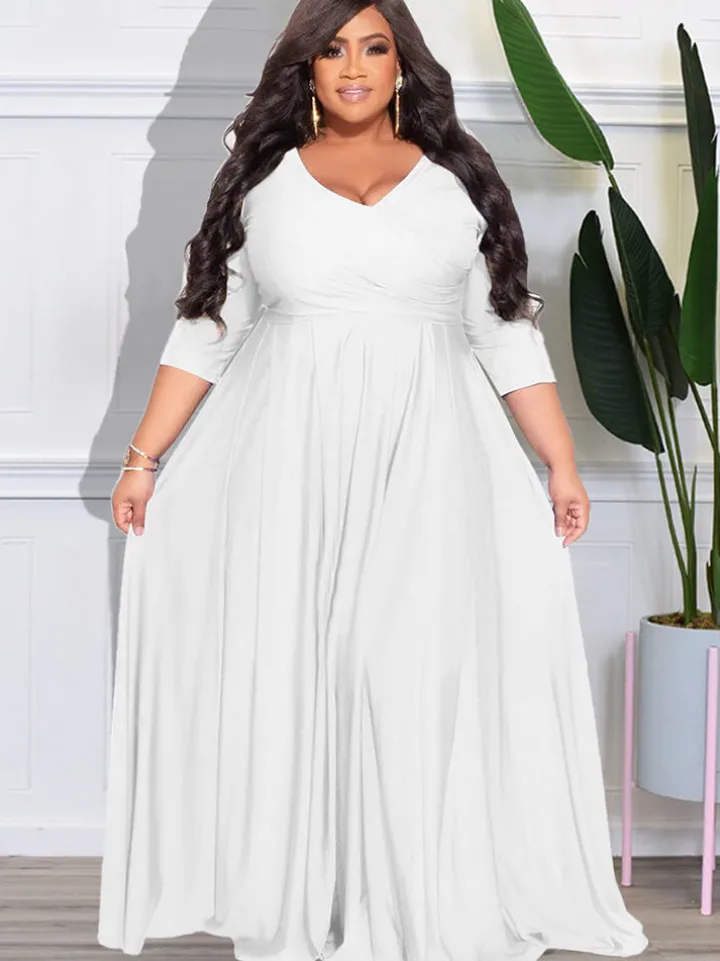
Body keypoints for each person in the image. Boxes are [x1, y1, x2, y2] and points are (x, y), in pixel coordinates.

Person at [97, 1, 649, 959]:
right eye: (332, 49)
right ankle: (318, 891)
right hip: (284, 460)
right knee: (309, 666)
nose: (353, 66)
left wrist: (559, 460)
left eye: (374, 46)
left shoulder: (457, 180)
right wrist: (144, 460)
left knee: (400, 667)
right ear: (306, 69)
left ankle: (413, 892)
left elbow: (503, 333)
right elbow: (207, 328)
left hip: (433, 457)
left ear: (403, 64)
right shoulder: (261, 180)